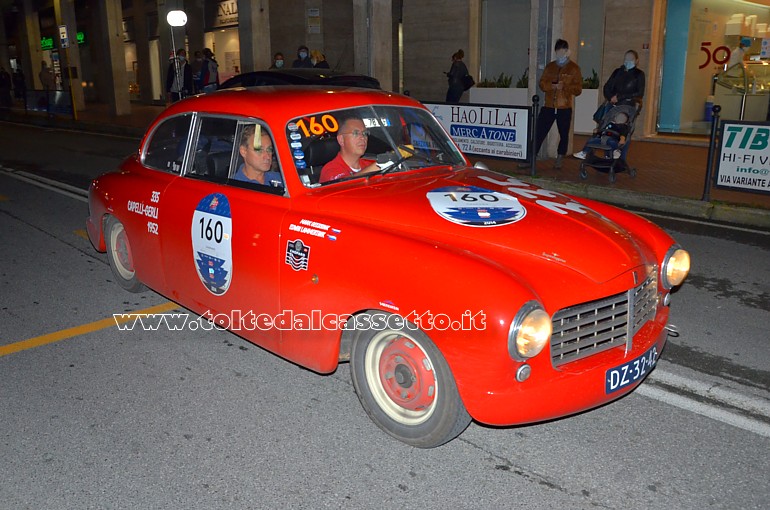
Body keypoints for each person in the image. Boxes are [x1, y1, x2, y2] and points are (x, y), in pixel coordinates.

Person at [520, 39, 582, 169]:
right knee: (539, 132)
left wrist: (564, 86)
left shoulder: (574, 68)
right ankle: (530, 158)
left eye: (561, 52)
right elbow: (542, 84)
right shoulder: (550, 67)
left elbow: (578, 89)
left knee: (564, 134)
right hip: (548, 105)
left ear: (566, 51)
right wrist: (552, 86)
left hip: (564, 107)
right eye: (557, 52)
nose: (559, 55)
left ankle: (560, 157)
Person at [319, 116, 380, 183]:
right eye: (356, 133)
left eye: (365, 133)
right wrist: (378, 167)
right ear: (341, 140)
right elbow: (343, 186)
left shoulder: (369, 164)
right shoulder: (330, 170)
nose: (363, 138)